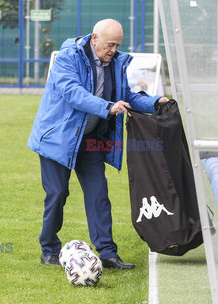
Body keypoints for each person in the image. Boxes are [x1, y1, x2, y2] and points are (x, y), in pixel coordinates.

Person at [27, 19, 169, 269]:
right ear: (94, 38)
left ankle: (108, 253)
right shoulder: (67, 57)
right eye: (109, 44)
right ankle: (49, 249)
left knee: (99, 195)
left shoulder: (115, 62)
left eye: (117, 45)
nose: (113, 50)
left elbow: (125, 96)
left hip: (90, 139)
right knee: (58, 194)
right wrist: (107, 107)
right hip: (58, 137)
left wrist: (156, 102)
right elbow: (72, 93)